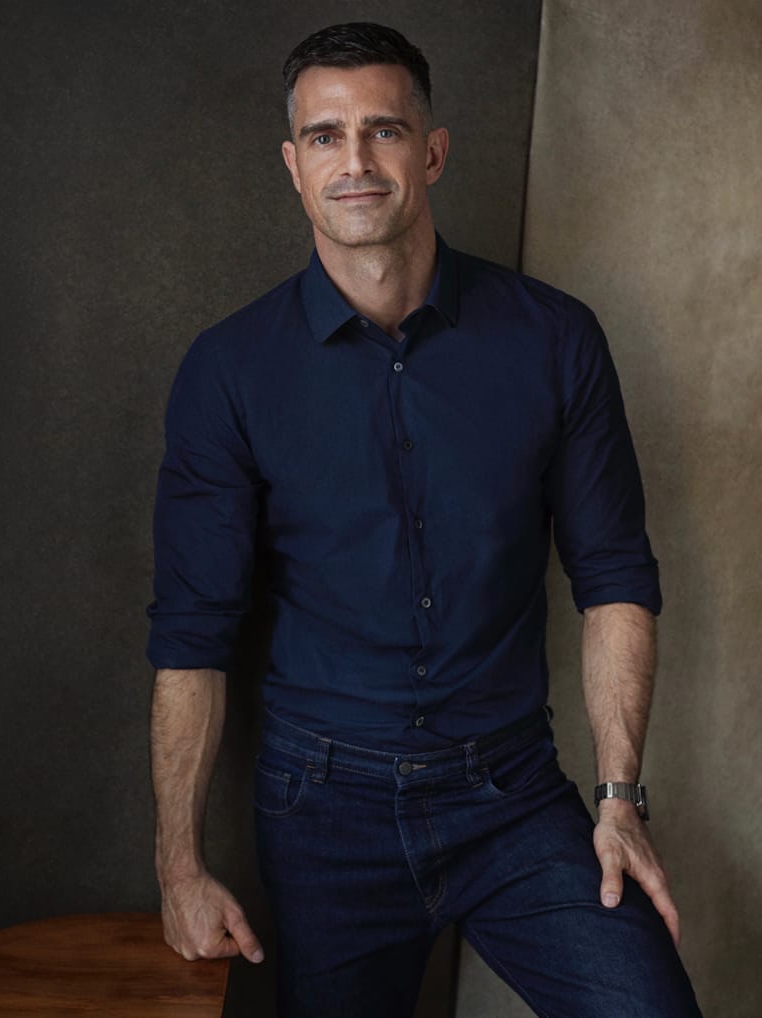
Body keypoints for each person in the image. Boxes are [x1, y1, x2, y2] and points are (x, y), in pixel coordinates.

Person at [146, 22, 701, 1018]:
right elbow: (192, 632)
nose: (353, 160)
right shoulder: (228, 371)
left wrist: (618, 800)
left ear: (432, 152)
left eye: (382, 130)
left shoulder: (553, 339)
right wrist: (177, 865)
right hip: (321, 806)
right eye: (323, 136)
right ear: (292, 166)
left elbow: (613, 574)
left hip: (512, 794)